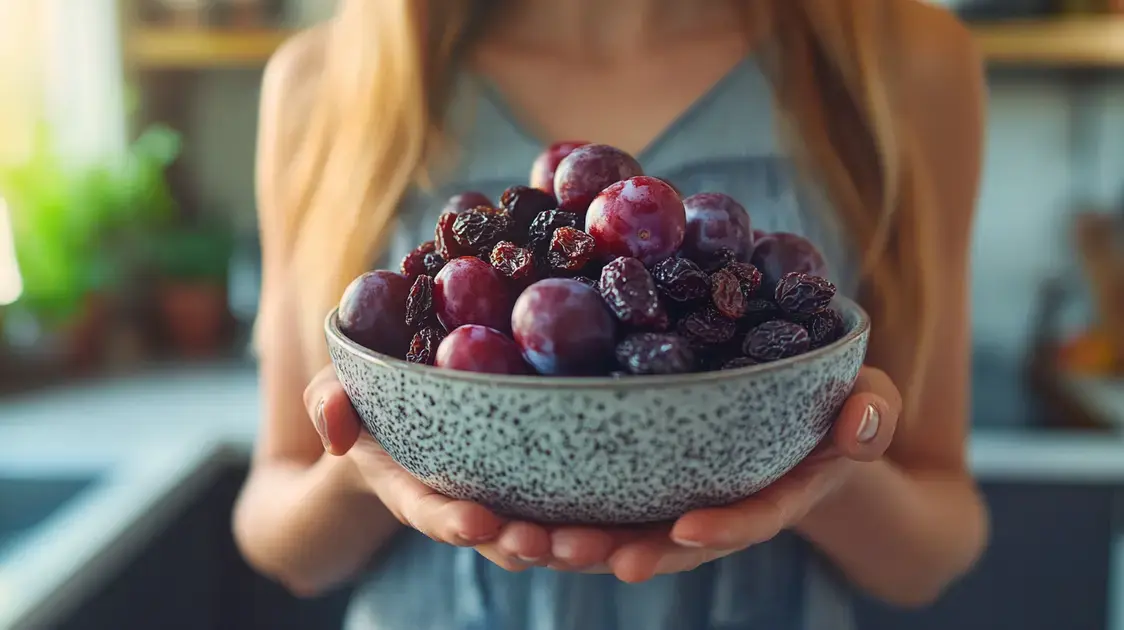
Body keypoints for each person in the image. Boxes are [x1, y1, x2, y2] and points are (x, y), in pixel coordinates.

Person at [232, 0, 989, 628]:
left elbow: (932, 554)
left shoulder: (903, 64)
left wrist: (813, 455)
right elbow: (282, 539)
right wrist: (371, 471)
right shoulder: (323, 83)